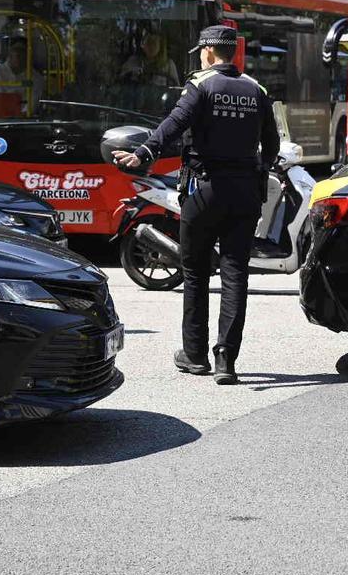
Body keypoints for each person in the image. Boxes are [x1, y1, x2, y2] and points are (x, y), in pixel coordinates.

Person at [113, 25, 280, 386]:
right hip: (244, 193)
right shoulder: (256, 89)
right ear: (231, 54)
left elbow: (175, 123)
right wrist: (259, 170)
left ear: (208, 51)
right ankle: (226, 360)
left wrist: (143, 153)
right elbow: (272, 142)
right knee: (236, 274)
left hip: (204, 190)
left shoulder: (200, 85)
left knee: (195, 273)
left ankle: (195, 354)